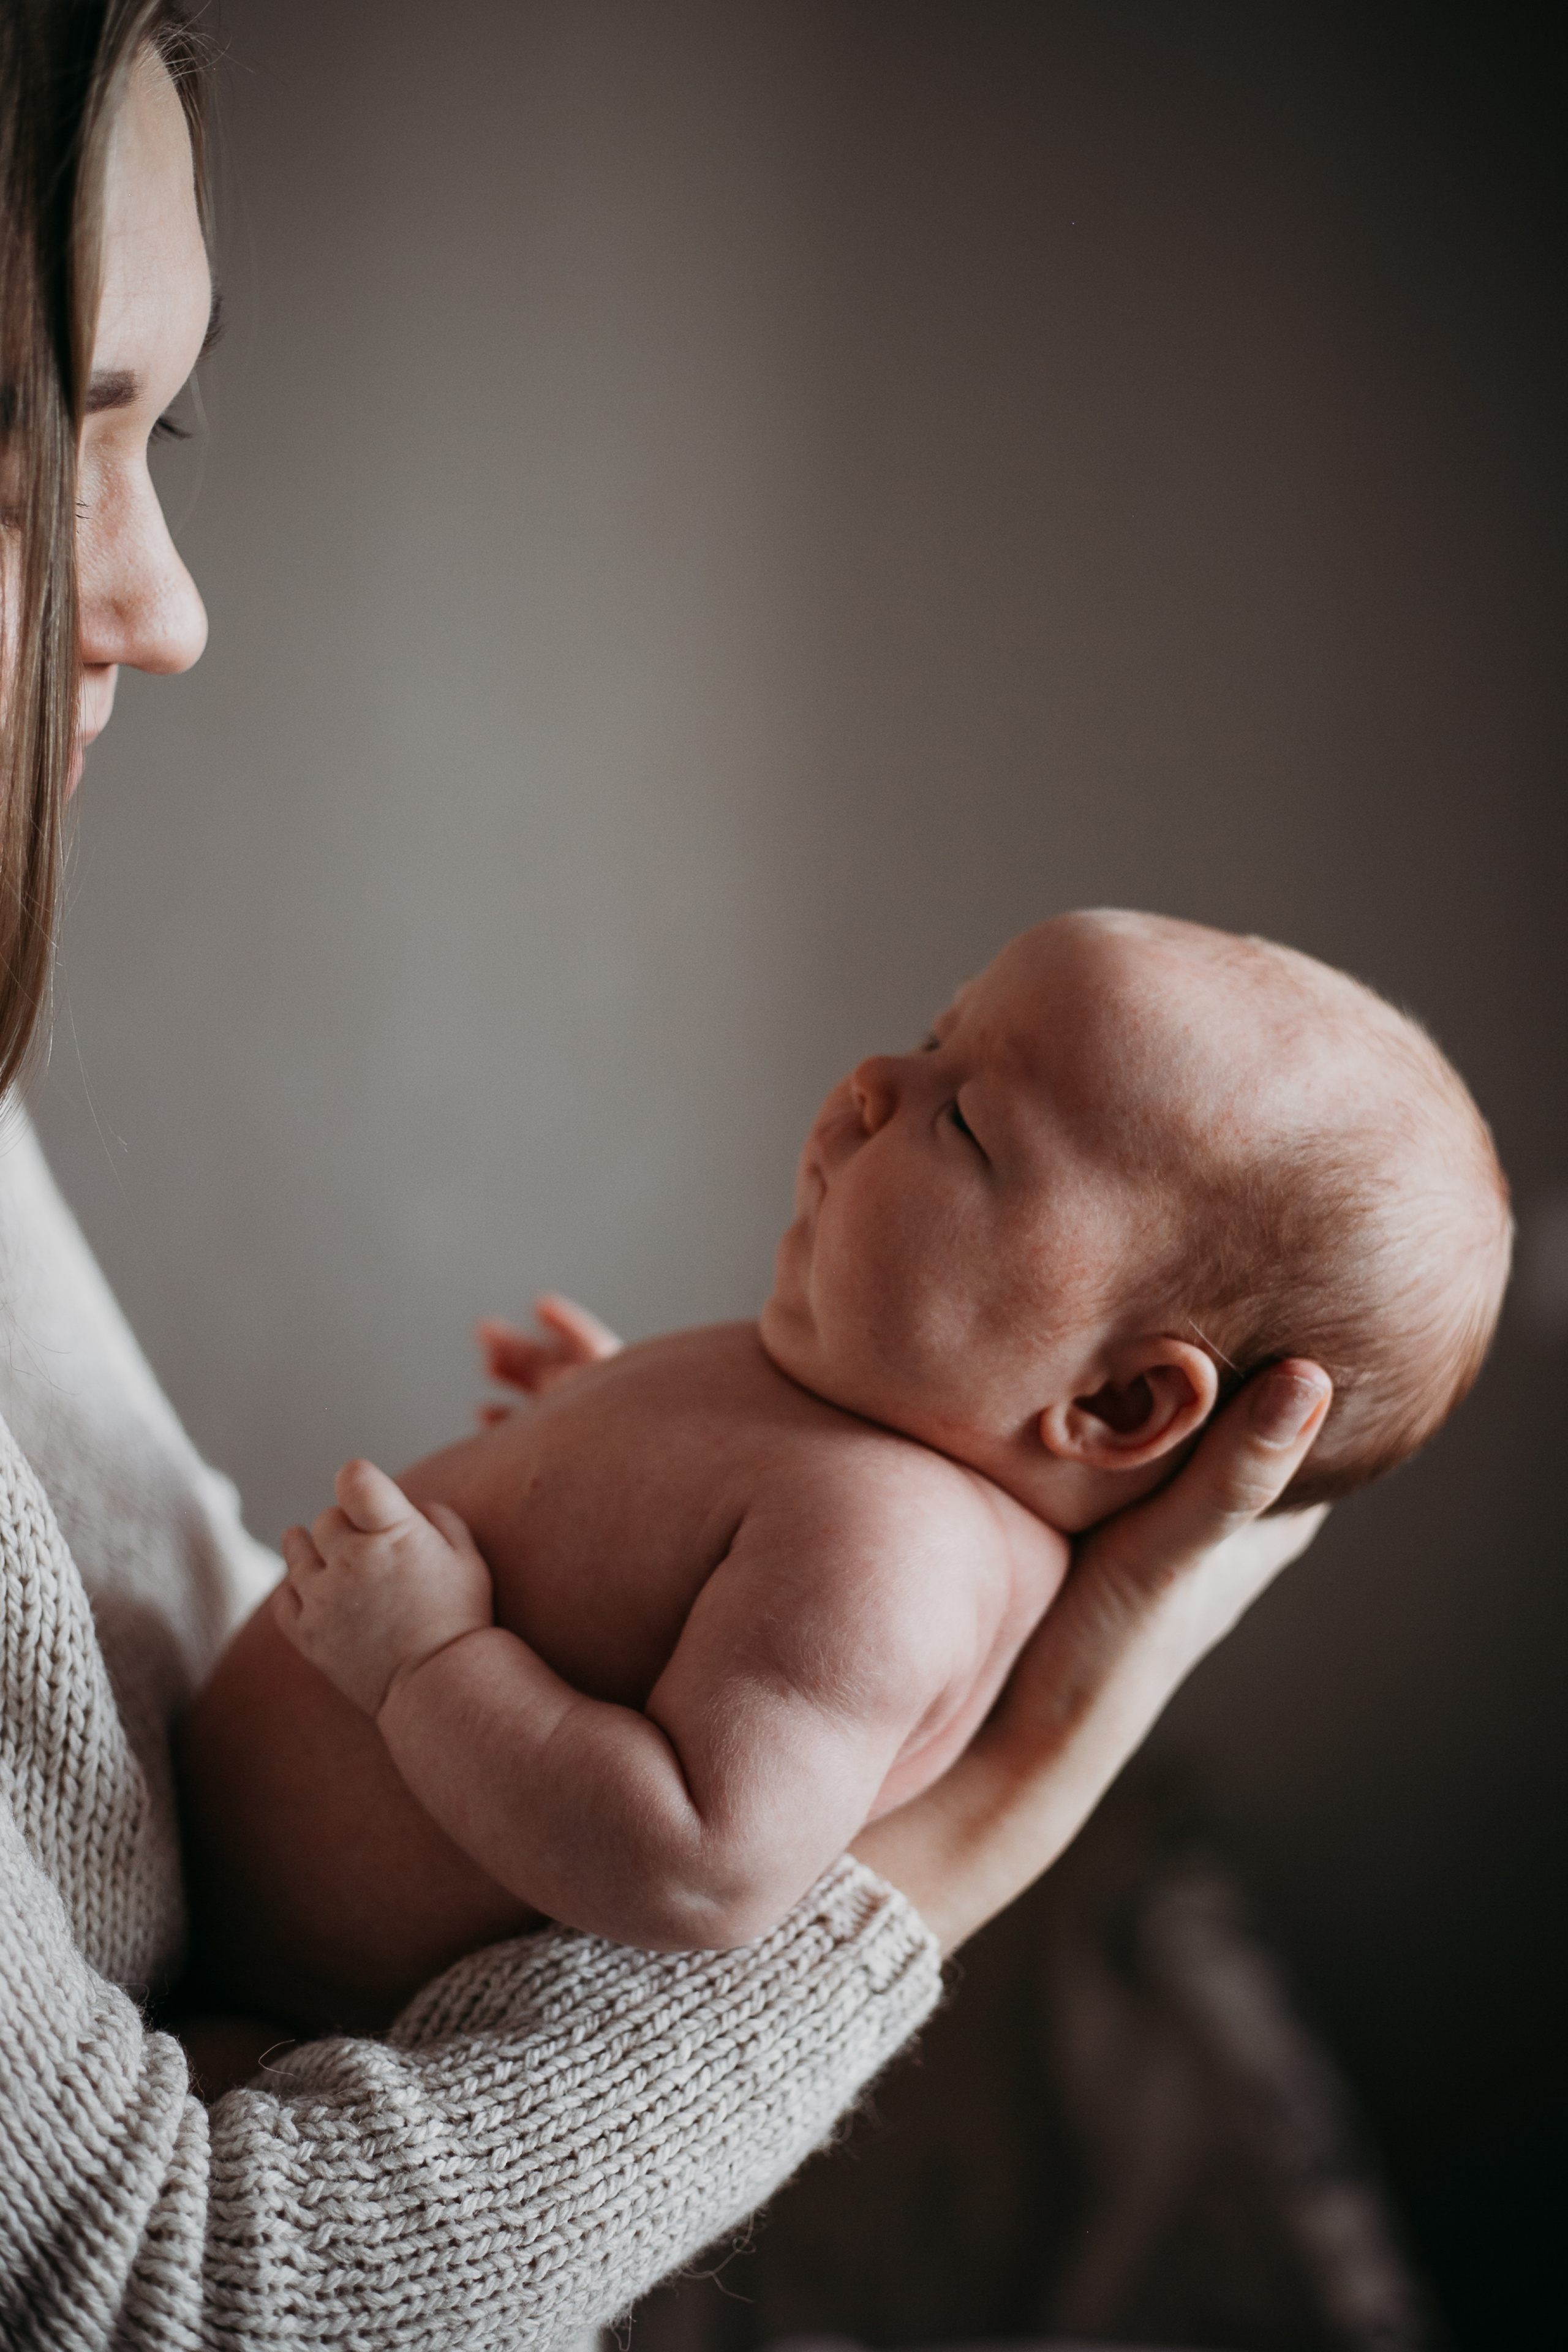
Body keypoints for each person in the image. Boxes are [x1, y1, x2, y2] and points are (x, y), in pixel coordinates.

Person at [0, 5, 1332, 2343]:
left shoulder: (900, 1538)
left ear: (1129, 1407)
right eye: (24, 462)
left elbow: (645, 1845)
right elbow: (160, 2294)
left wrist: (537, 1579)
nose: (171, 604)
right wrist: (987, 1812)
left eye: (149, 432)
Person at [178, 910, 1506, 2048]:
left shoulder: (899, 1548)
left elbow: (699, 1863)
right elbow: (672, 1599)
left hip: (289, 2023)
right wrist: (603, 1439)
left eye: (972, 1125)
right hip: (201, 1894)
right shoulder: (850, 1437)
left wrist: (424, 1660)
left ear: (1111, 1401)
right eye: (935, 1038)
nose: (877, 1080)